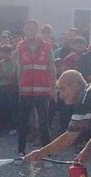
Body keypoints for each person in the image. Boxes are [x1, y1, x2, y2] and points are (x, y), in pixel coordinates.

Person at [14, 19, 57, 157]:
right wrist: (19, 88)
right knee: (23, 123)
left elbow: (52, 68)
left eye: (31, 29)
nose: (29, 32)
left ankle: (47, 154)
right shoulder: (20, 47)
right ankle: (21, 152)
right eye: (27, 30)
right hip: (25, 92)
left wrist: (53, 88)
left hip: (43, 91)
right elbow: (18, 69)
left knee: (43, 125)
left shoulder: (47, 46)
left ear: (36, 30)